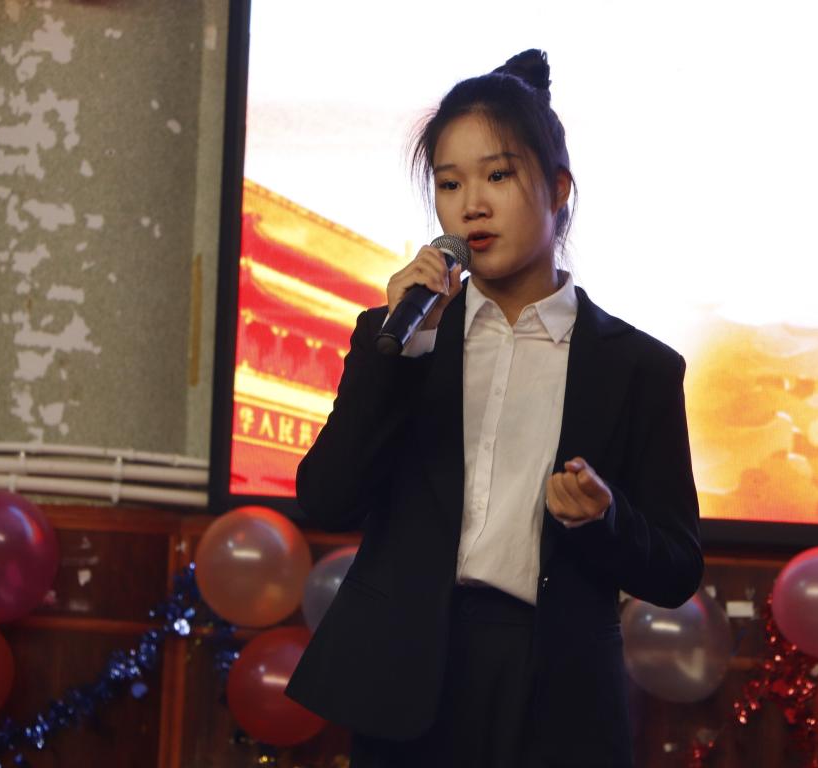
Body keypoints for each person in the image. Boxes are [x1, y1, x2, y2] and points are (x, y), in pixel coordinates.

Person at [285, 49, 703, 768]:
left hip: (556, 695)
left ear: (559, 188)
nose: (470, 205)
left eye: (498, 176)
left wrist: (604, 519)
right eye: (449, 184)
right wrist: (403, 355)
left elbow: (675, 569)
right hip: (407, 680)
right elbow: (326, 498)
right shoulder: (405, 338)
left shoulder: (637, 367)